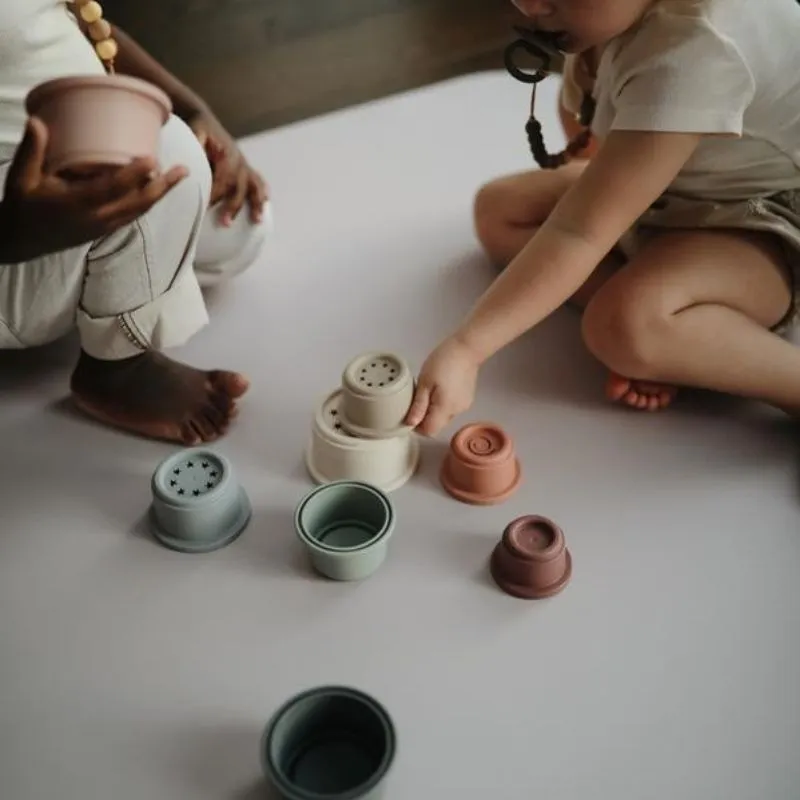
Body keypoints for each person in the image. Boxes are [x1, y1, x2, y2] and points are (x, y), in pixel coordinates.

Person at [406, 0, 800, 436]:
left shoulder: (697, 49)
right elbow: (589, 130)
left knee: (621, 325)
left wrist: (468, 348)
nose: (529, 3)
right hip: (672, 191)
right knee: (499, 210)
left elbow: (578, 232)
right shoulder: (602, 17)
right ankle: (672, 331)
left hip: (760, 221)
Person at [0, 1, 269, 444]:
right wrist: (20, 233)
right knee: (169, 155)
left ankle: (106, 285)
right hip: (14, 240)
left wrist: (194, 109)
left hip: (59, 182)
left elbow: (76, 24)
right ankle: (116, 368)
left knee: (238, 228)